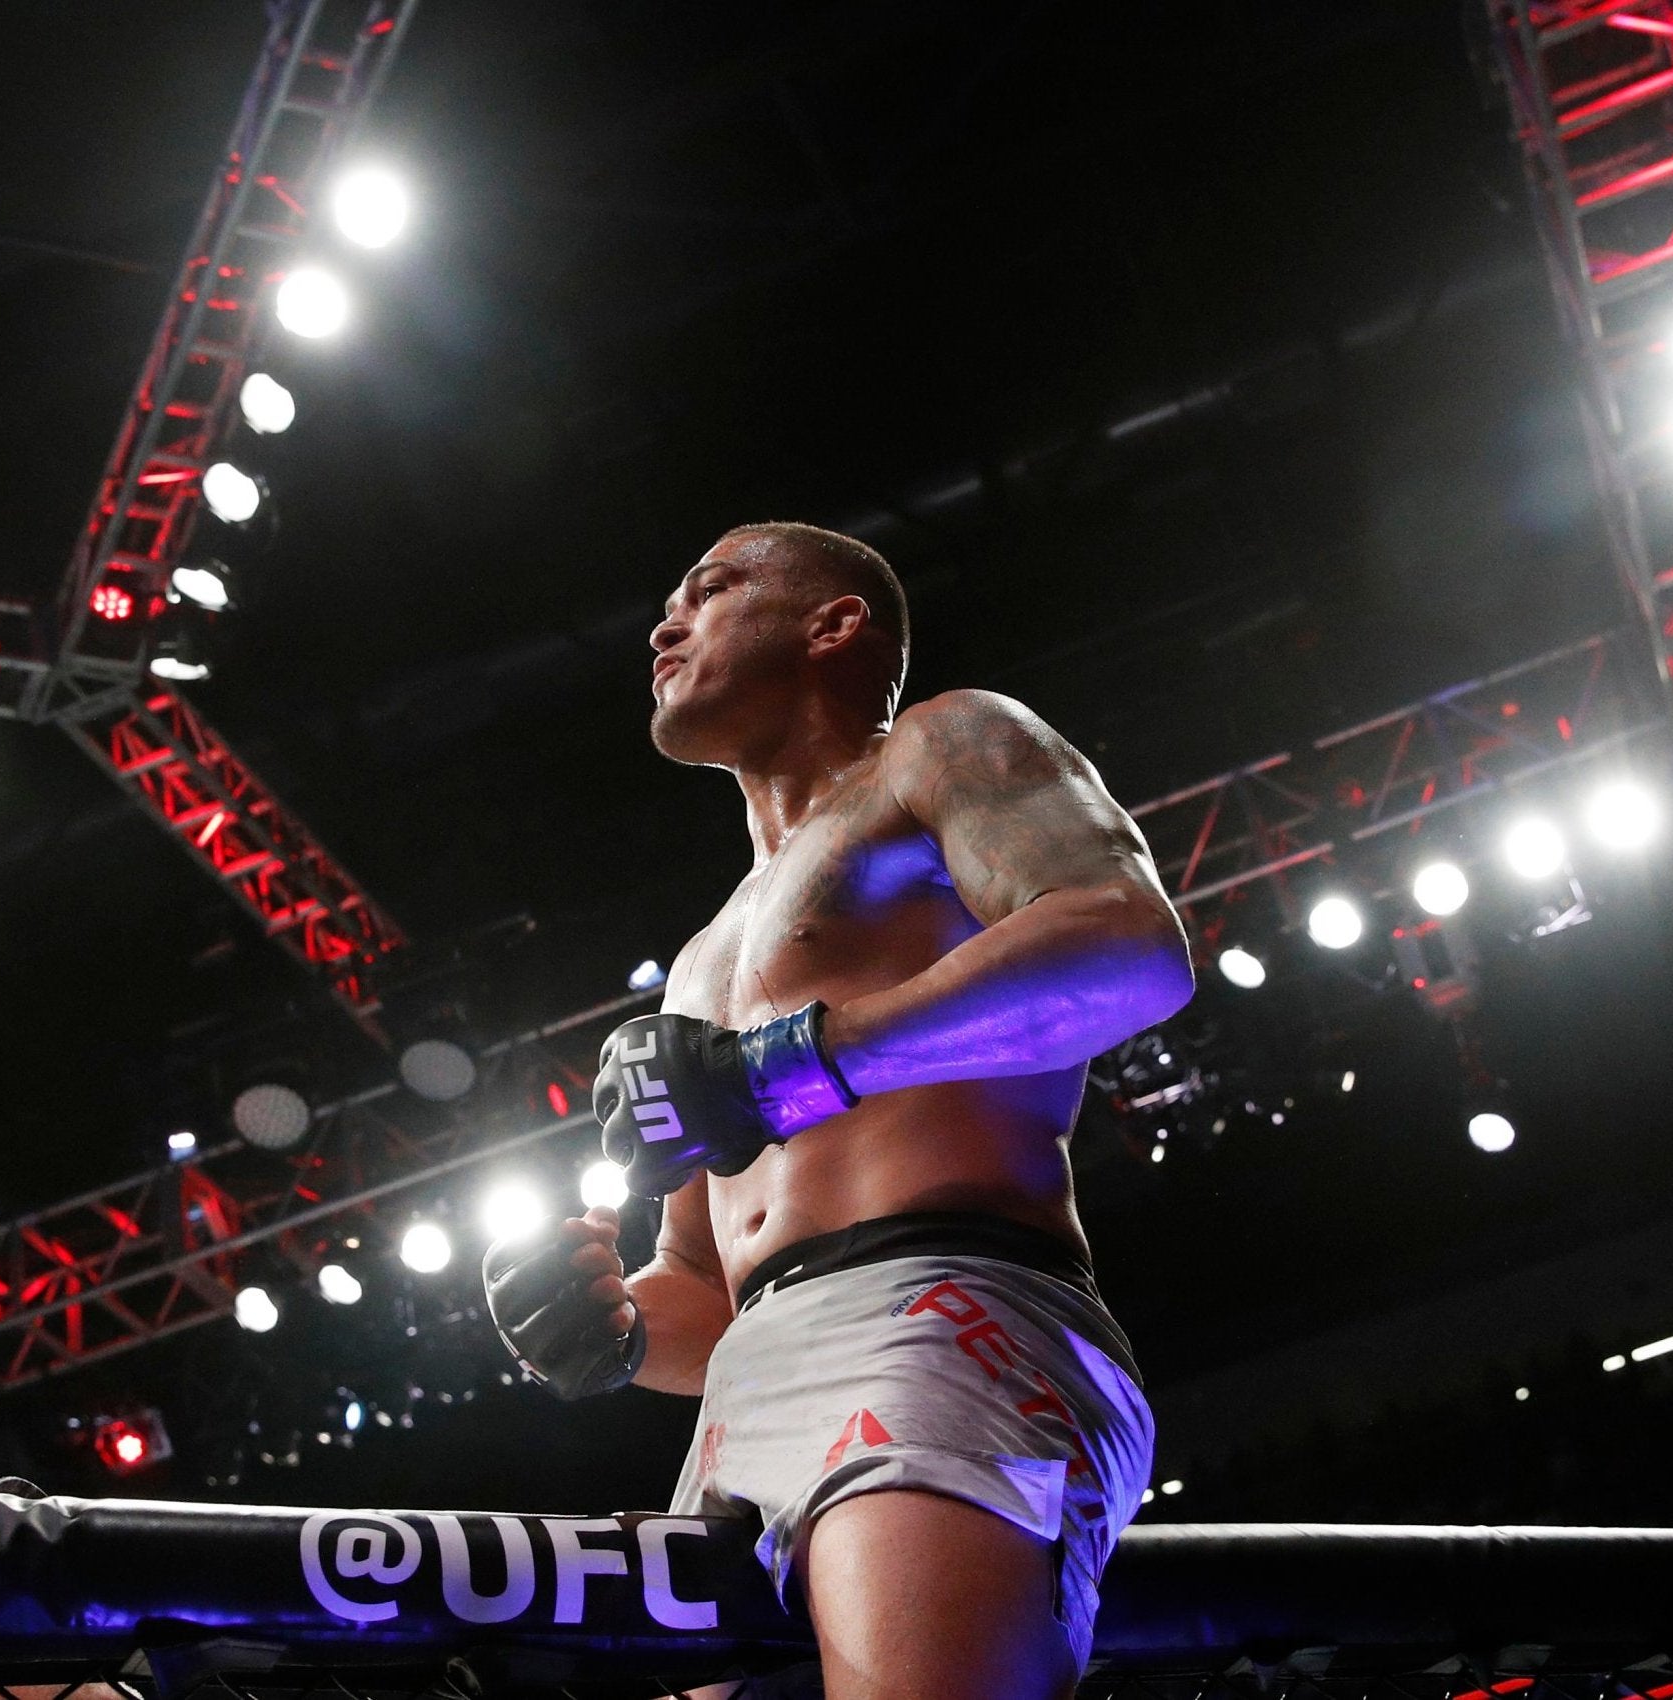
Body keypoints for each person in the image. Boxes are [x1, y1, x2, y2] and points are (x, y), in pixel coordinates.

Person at [483, 522, 1194, 1700]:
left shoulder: (940, 744)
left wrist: (783, 1069)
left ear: (833, 622)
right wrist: (608, 1329)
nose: (665, 624)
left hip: (943, 1312)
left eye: (708, 590)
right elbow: (715, 1284)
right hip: (742, 1387)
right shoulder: (701, 955)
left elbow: (1126, 944)